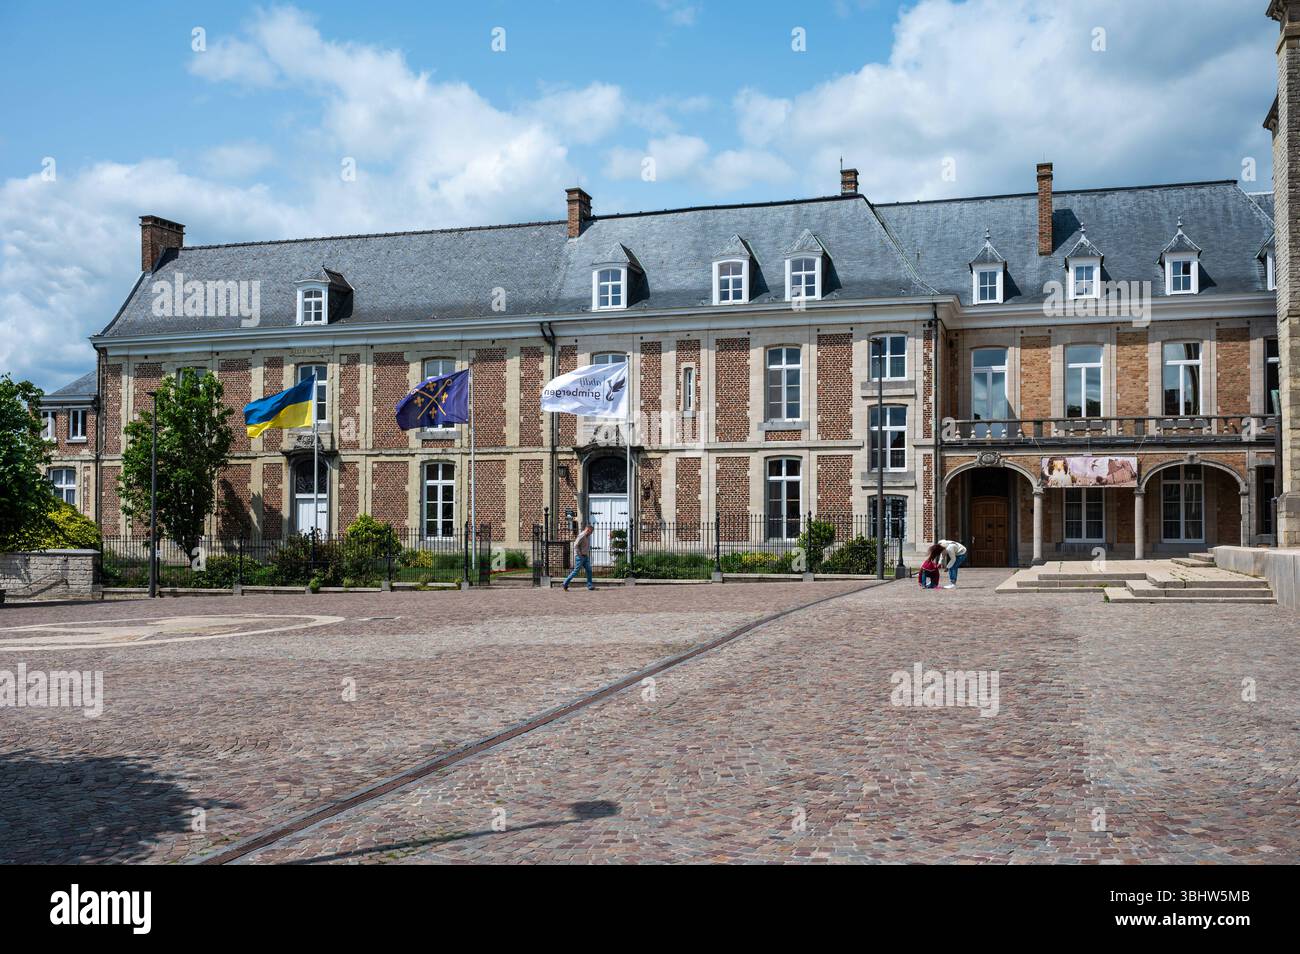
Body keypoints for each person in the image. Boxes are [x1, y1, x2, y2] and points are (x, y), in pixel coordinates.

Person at [562, 523, 595, 591]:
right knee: (576, 571)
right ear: (588, 530)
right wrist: (579, 555)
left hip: (585, 556)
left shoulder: (587, 536)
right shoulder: (581, 536)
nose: (591, 533)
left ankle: (590, 585)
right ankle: (565, 583)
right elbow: (575, 545)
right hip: (580, 557)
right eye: (591, 532)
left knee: (589, 570)